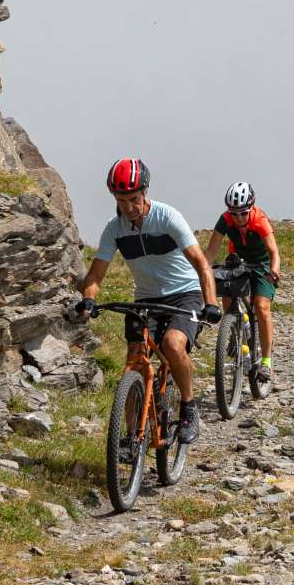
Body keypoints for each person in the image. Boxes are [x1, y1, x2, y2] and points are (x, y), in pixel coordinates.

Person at [73, 159, 220, 444]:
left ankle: (189, 407)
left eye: (134, 199)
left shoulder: (167, 217)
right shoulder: (114, 229)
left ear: (145, 192)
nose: (129, 207)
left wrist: (211, 302)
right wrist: (89, 299)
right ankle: (130, 437)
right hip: (146, 299)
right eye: (121, 200)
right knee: (135, 360)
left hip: (185, 294)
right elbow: (95, 274)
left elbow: (201, 263)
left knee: (172, 345)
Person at [204, 181, 281, 384]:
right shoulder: (225, 220)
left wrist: (274, 271)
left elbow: (274, 252)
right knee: (227, 292)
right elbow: (211, 252)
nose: (238, 218)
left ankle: (266, 362)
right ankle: (232, 333)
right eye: (234, 213)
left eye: (243, 213)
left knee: (261, 307)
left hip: (262, 265)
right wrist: (202, 272)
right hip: (238, 261)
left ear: (252, 208)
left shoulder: (260, 221)